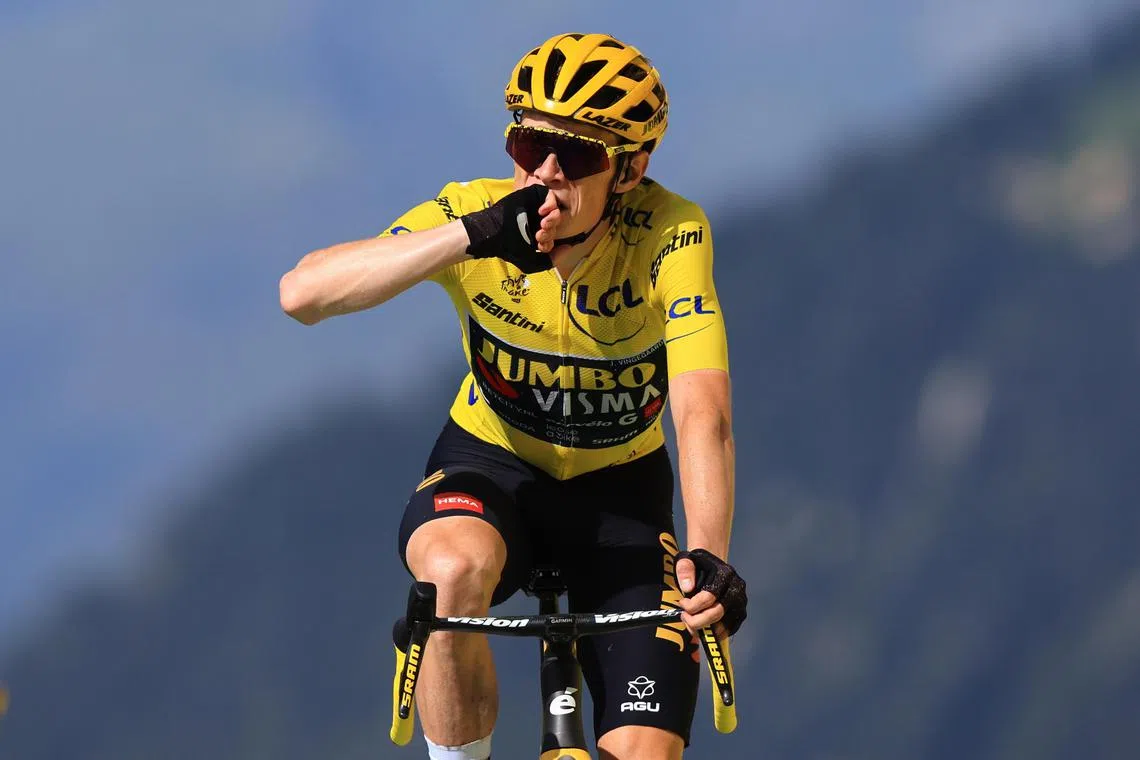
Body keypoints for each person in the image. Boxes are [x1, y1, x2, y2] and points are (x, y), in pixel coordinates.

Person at [279, 32, 746, 760]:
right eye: (529, 146)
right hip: (489, 467)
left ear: (630, 169)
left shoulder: (670, 234)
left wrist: (709, 553)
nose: (546, 173)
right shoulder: (477, 212)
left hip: (620, 498)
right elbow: (302, 293)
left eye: (578, 156)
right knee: (450, 575)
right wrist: (469, 237)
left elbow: (701, 411)